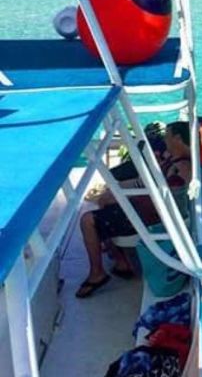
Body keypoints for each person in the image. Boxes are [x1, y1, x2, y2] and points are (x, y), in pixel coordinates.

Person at [75, 121, 192, 298]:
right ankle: (121, 261)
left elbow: (164, 195)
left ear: (177, 138)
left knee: (87, 220)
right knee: (105, 201)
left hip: (149, 217)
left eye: (167, 135)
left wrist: (124, 194)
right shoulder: (173, 159)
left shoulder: (181, 168)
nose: (165, 139)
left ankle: (97, 273)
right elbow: (148, 183)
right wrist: (117, 189)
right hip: (146, 207)